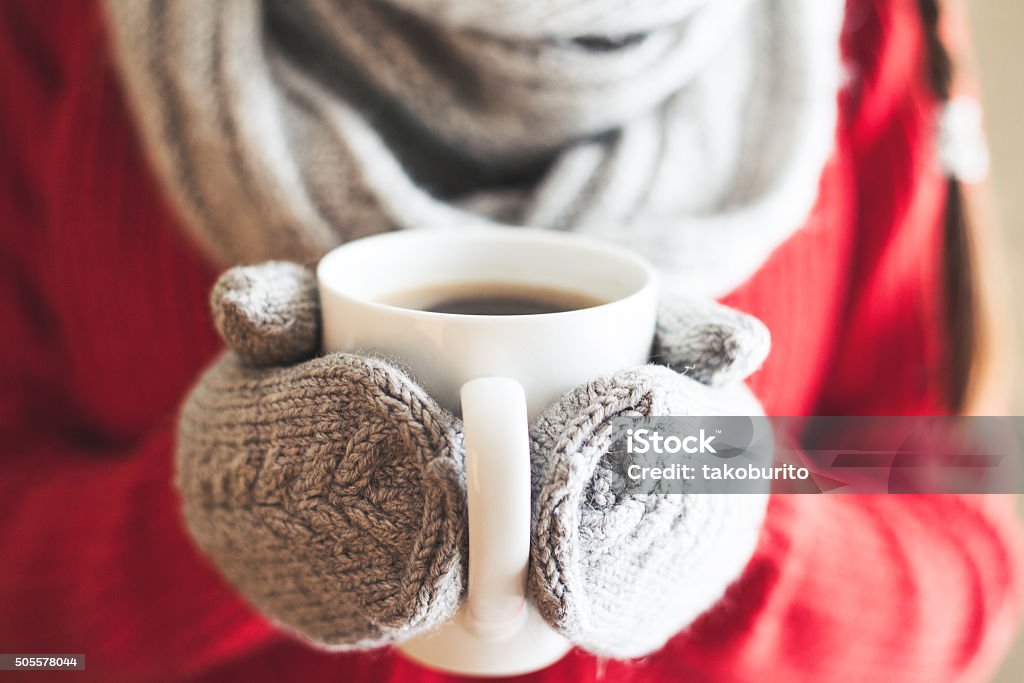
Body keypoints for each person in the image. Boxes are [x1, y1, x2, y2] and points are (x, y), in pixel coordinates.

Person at [1, 0, 1021, 681]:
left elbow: (976, 544)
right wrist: (208, 528)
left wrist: (718, 508)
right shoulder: (58, 30)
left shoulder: (856, 27)